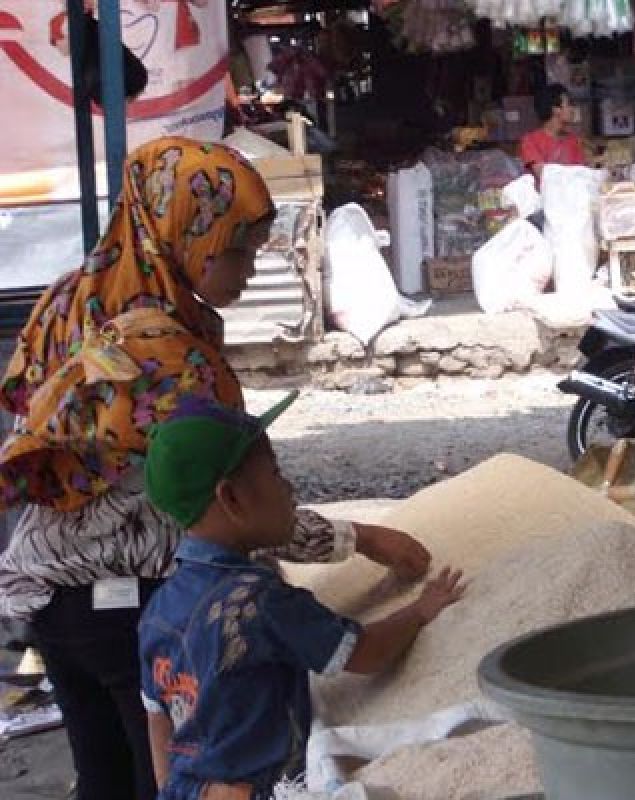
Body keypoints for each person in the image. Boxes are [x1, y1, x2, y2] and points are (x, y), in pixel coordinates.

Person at [0, 138, 432, 800]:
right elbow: (231, 506)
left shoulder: (74, 296)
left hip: (48, 592)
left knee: (104, 778)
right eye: (237, 251)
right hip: (129, 601)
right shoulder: (170, 353)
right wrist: (365, 539)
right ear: (180, 234)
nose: (249, 272)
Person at [139, 393, 466, 798]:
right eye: (276, 474)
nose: (289, 488)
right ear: (232, 499)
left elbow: (157, 716)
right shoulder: (261, 602)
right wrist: (420, 609)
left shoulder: (158, 607)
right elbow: (364, 653)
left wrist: (169, 787)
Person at [520, 83, 586, 186]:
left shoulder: (573, 140)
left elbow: (582, 175)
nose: (573, 109)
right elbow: (544, 176)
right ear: (555, 109)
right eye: (569, 104)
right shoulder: (530, 141)